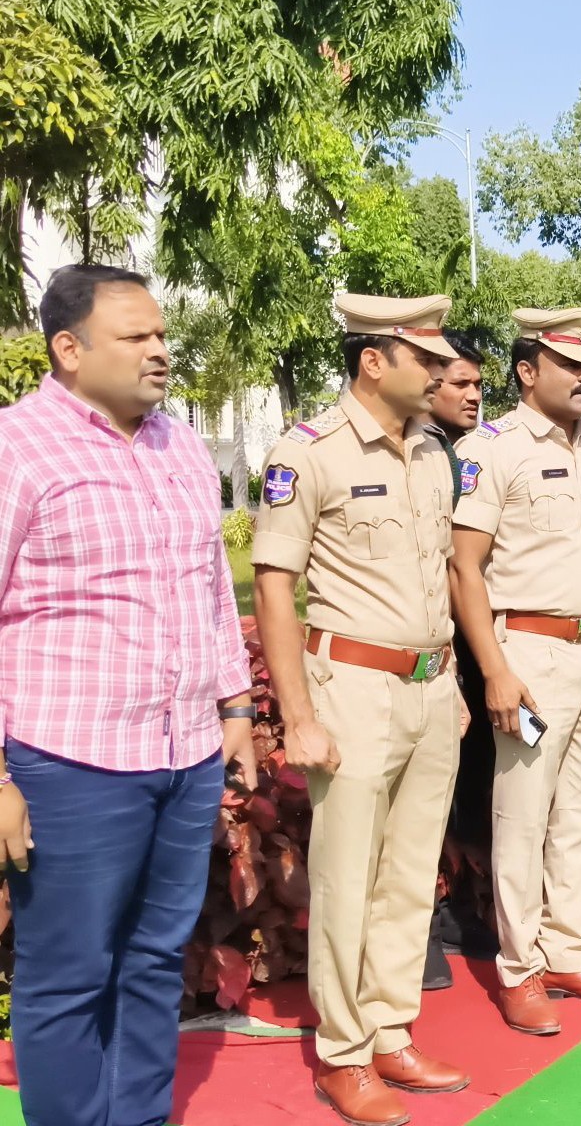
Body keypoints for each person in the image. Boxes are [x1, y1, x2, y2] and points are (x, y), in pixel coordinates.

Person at [0, 265, 255, 1126]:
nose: (160, 351)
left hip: (183, 754)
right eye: (136, 337)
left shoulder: (179, 444)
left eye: (161, 334)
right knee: (68, 974)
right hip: (70, 760)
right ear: (67, 349)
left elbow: (213, 585)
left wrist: (235, 707)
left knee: (153, 959)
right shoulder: (16, 449)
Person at [254, 293, 468, 1126]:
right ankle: (344, 1054)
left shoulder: (432, 452)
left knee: (411, 874)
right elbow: (276, 586)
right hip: (351, 691)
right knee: (347, 879)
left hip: (427, 687)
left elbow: (439, 577)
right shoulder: (307, 454)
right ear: (373, 361)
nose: (444, 372)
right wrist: (298, 713)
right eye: (426, 359)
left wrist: (446, 684)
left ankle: (390, 1030)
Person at [449, 306, 581, 1037]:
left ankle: (569, 952)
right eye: (571, 364)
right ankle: (520, 969)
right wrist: (495, 670)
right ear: (528, 372)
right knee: (523, 817)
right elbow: (464, 566)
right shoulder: (489, 448)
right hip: (530, 650)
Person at [422, 330, 491, 990]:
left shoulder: (475, 451)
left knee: (483, 783)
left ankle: (471, 910)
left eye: (477, 384)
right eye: (459, 383)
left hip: (485, 642)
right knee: (430, 794)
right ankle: (426, 921)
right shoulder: (427, 454)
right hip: (436, 646)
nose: (473, 394)